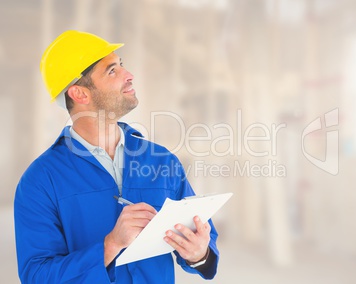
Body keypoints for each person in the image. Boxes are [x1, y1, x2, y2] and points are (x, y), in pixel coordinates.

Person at [14, 30, 219, 283]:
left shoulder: (161, 161)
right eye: (112, 70)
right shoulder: (41, 180)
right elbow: (36, 275)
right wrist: (109, 246)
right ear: (80, 94)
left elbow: (205, 243)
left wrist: (199, 254)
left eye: (122, 65)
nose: (129, 75)